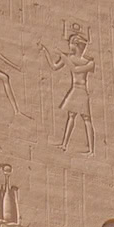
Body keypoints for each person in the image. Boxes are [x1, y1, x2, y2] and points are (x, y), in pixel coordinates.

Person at [41, 23, 95, 153]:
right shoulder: (70, 58)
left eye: (71, 44)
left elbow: (75, 69)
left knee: (86, 118)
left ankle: (92, 149)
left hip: (82, 91)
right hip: (75, 89)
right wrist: (45, 52)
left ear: (77, 46)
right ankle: (64, 144)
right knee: (71, 116)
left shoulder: (89, 62)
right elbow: (54, 67)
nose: (69, 46)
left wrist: (63, 56)